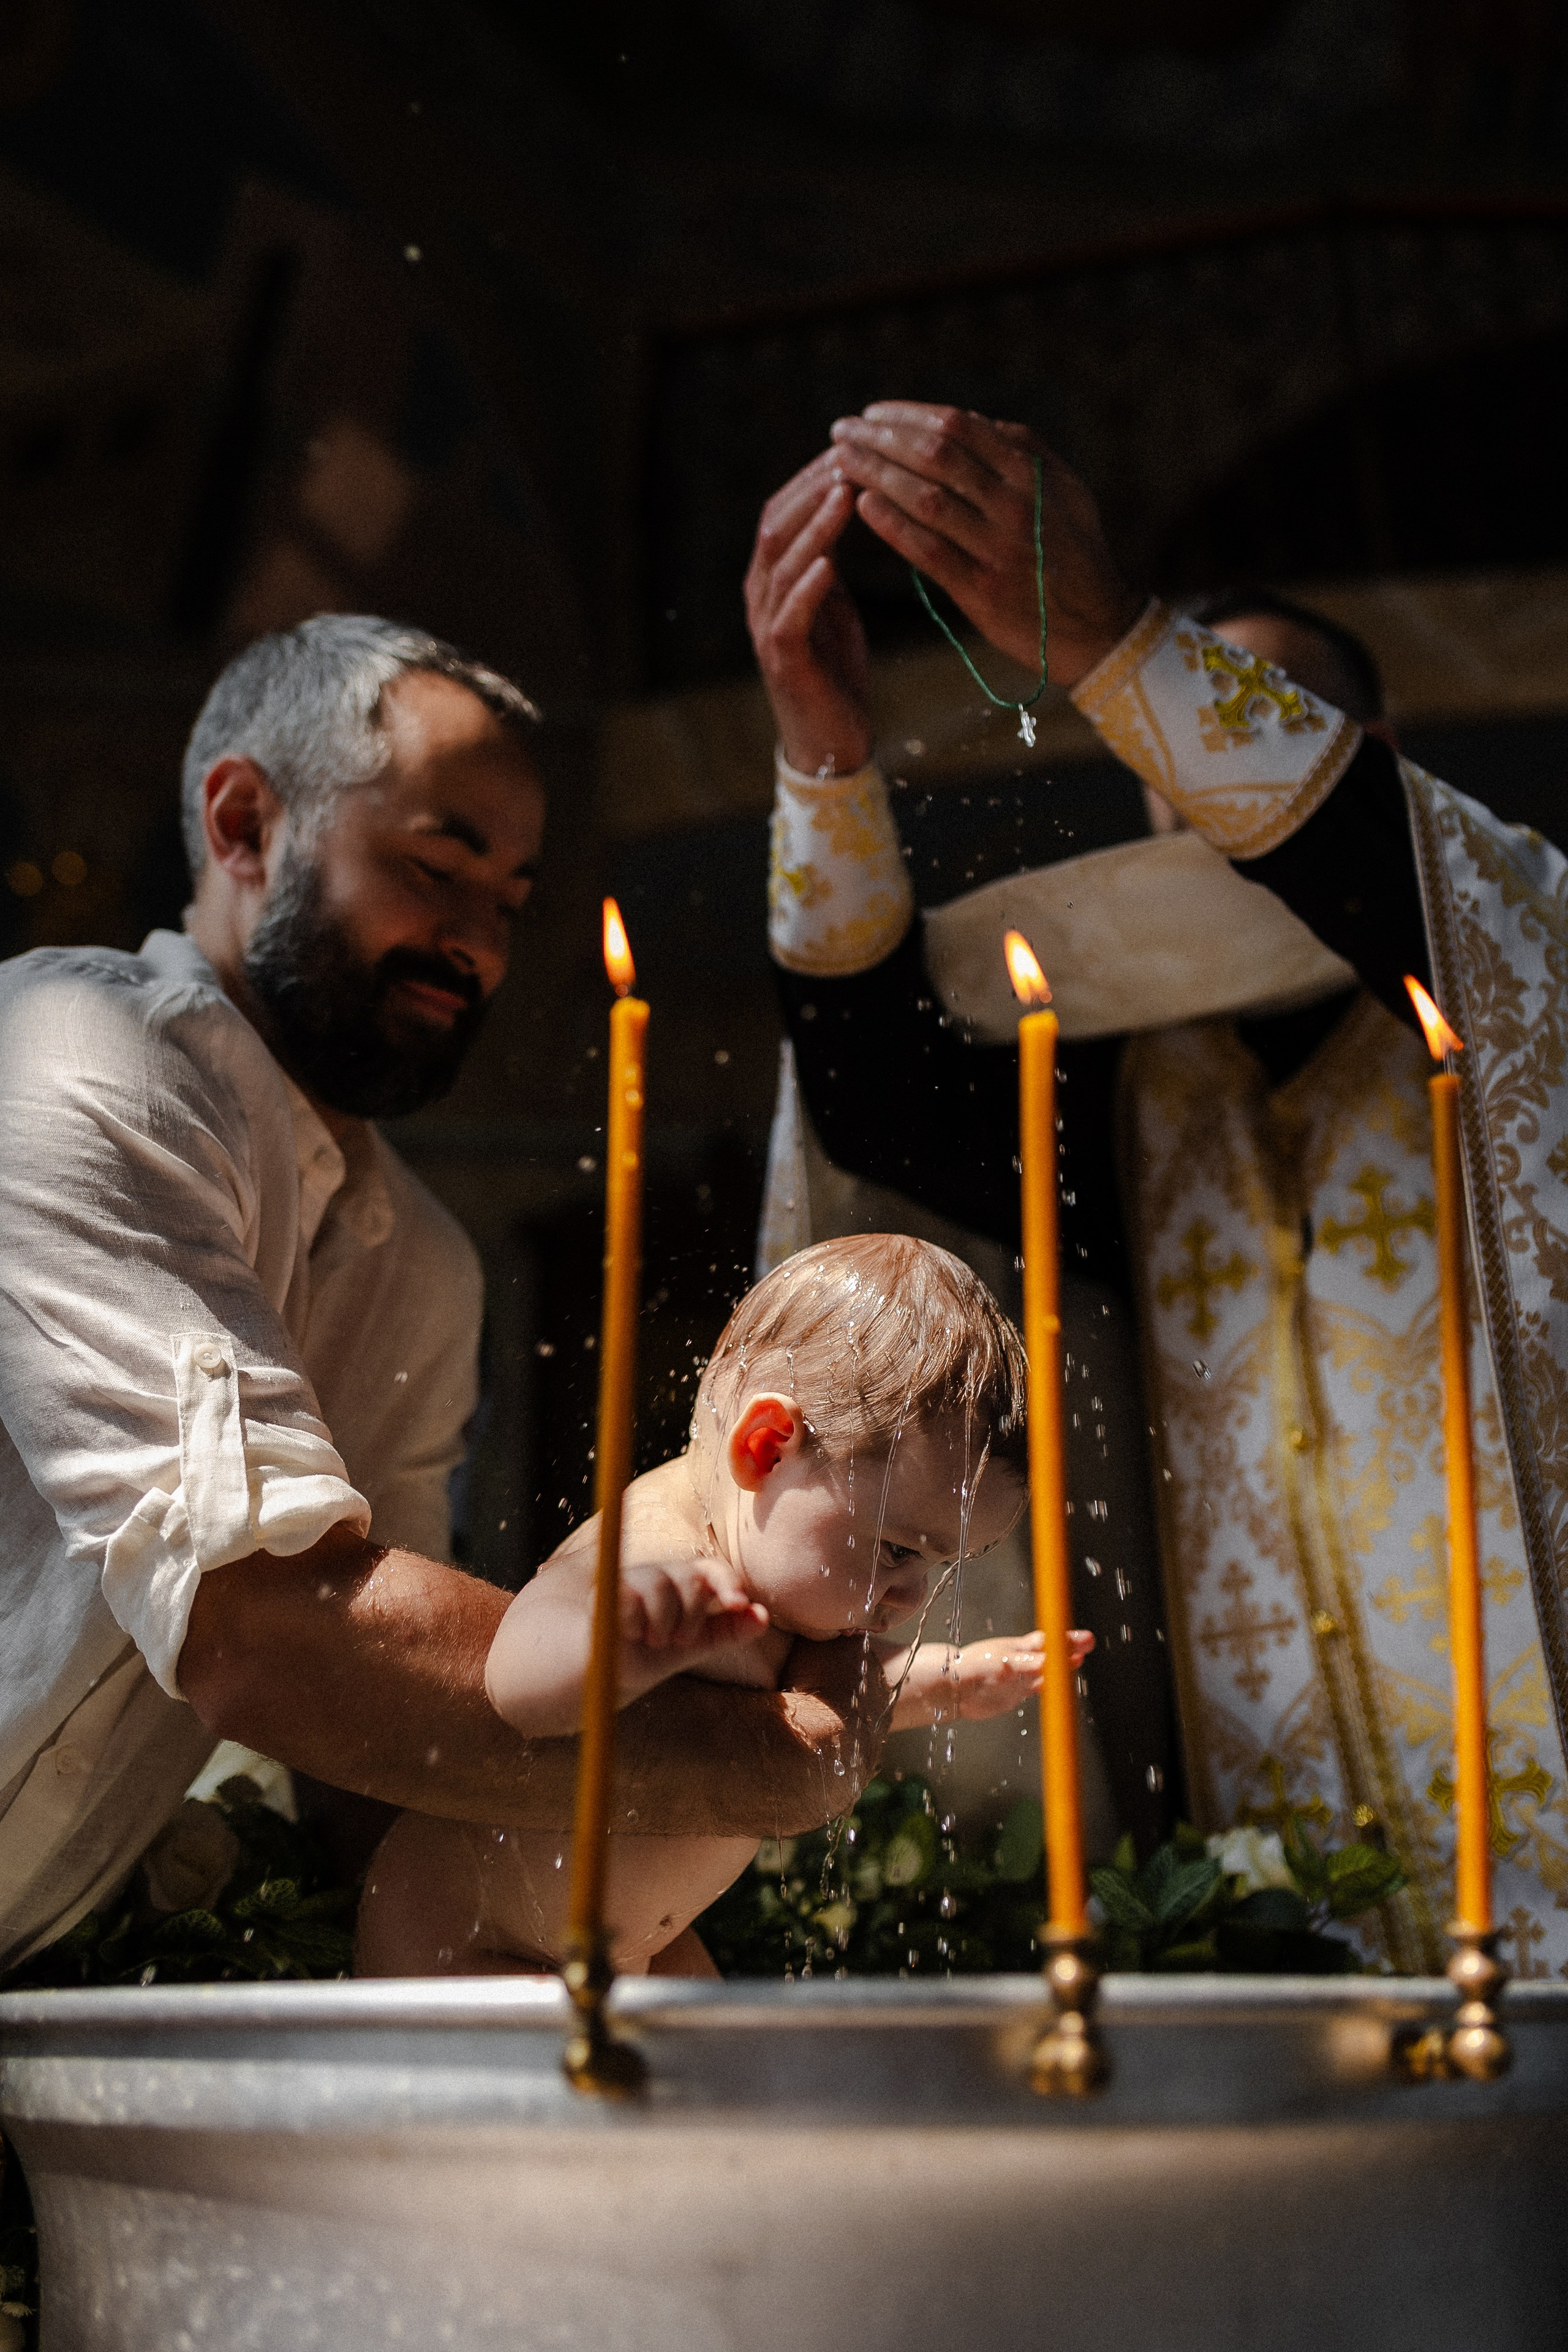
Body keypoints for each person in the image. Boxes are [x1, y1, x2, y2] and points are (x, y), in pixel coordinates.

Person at [747, 404, 1568, 1977]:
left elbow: (1382, 866)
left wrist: (1113, 644)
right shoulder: (1124, 1086)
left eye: (1244, 725)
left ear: (1364, 762)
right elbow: (871, 1097)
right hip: (1281, 1910)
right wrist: (827, 762)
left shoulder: (1516, 981)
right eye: (1154, 761)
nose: (1197, 807)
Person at [0, 615, 875, 1977]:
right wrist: (750, 1755)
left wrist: (592, 1944)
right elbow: (266, 1634)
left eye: (512, 902)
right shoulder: (72, 1052)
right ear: (244, 825)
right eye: (434, 865)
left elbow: (373, 1754)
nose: (477, 943)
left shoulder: (421, 1265)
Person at [356, 1233, 1091, 1977]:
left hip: (625, 1944)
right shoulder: (652, 1554)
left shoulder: (782, 1578)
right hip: (474, 1938)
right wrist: (617, 1641)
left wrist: (951, 1680)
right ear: (766, 1447)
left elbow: (842, 1692)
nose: (910, 1596)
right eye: (898, 1550)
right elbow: (516, 1683)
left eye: (938, 1565)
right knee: (660, 2052)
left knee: (734, 2049)